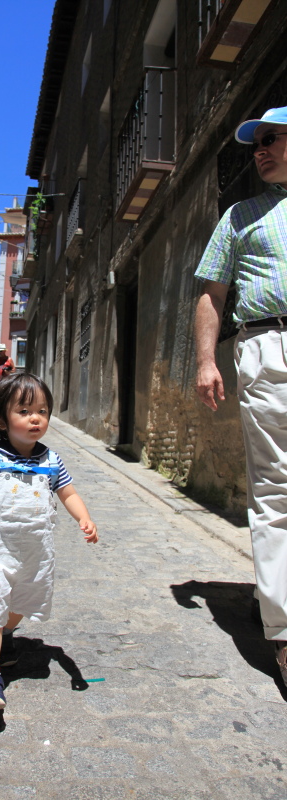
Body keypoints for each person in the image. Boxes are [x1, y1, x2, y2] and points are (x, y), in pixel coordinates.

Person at [194, 105, 287, 687]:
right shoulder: (239, 216)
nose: (260, 150)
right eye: (257, 143)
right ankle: (284, 633)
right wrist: (206, 359)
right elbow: (211, 293)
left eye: (273, 139)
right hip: (266, 347)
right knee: (277, 487)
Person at [0, 372, 98, 711]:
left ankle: (6, 636)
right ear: (2, 420)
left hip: (34, 553)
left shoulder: (51, 461)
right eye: (24, 411)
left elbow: (68, 493)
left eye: (42, 410)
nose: (35, 418)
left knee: (19, 607)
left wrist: (83, 517)